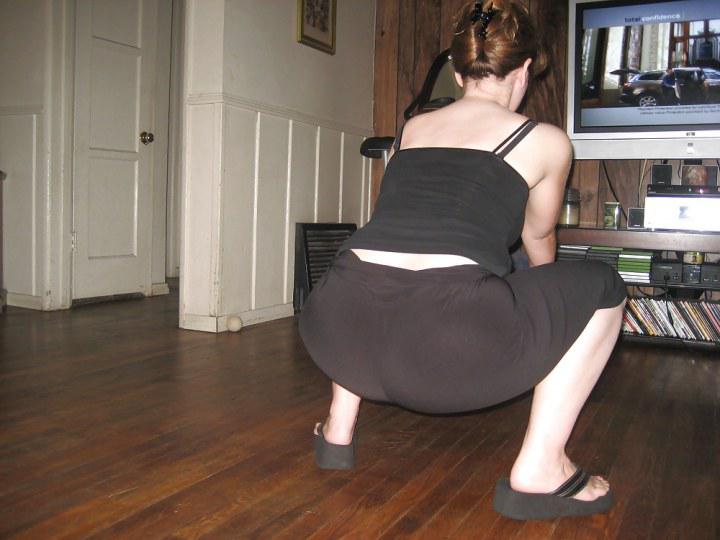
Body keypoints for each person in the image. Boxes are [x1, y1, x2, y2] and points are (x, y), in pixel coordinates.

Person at [298, 0, 627, 521]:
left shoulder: (411, 129)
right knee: (604, 285)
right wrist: (553, 317)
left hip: (334, 326)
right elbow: (538, 235)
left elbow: (398, 235)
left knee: (375, 266)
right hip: (444, 349)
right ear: (524, 71)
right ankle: (541, 469)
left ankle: (337, 431)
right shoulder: (544, 140)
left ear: (456, 72)